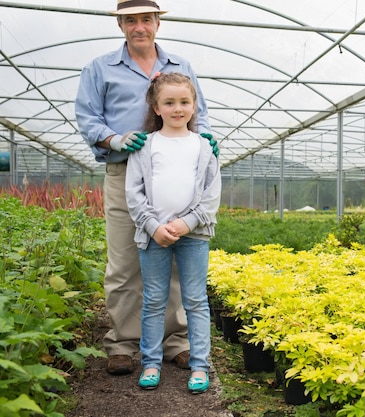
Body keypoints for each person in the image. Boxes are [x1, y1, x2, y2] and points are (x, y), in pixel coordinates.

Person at [75, 0, 219, 375]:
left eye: (146, 19)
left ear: (157, 23)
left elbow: (198, 113)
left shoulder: (180, 67)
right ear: (121, 25)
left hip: (178, 173)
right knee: (124, 261)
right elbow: (88, 117)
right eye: (131, 20)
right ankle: (122, 343)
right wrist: (114, 140)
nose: (139, 27)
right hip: (127, 174)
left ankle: (175, 342)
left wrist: (205, 141)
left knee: (175, 258)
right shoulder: (100, 68)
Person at [126, 72, 221, 393]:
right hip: (152, 235)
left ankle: (200, 366)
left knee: (195, 299)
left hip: (194, 235)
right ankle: (150, 363)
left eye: (184, 102)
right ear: (156, 107)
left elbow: (211, 195)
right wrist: (153, 226)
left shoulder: (204, 147)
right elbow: (134, 194)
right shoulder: (144, 146)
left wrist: (187, 222)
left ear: (195, 107)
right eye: (169, 102)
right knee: (154, 299)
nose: (177, 108)